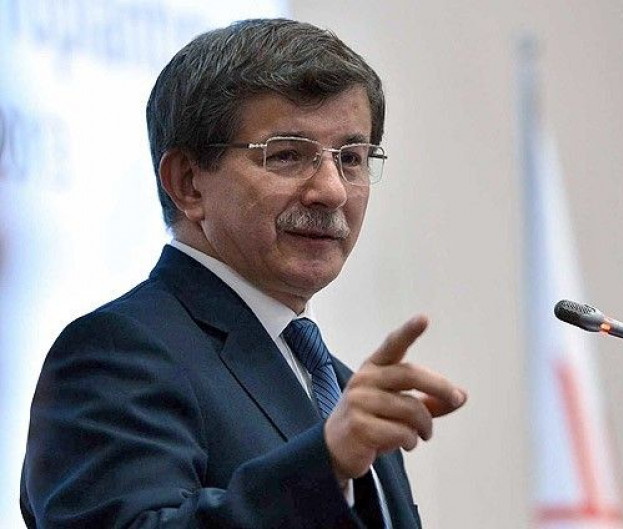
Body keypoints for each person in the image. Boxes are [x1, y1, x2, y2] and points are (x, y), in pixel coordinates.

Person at [20, 17, 467, 529]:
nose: (332, 190)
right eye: (287, 155)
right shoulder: (115, 354)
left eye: (351, 158)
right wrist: (323, 466)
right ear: (188, 183)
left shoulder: (341, 387)